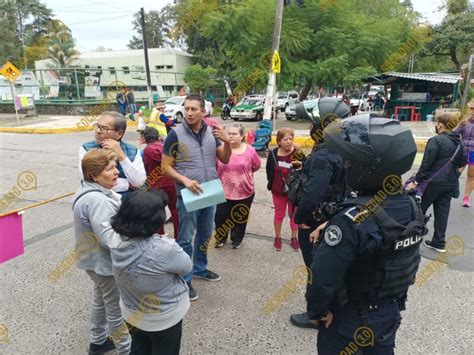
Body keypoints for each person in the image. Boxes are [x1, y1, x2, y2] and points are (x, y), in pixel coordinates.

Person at [306, 113, 428, 354]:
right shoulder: (411, 206)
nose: (345, 165)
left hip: (348, 318)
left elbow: (322, 278)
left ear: (369, 168)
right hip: (387, 313)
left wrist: (318, 311)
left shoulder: (349, 222)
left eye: (350, 162)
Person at [161, 94, 231, 301]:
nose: (189, 113)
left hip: (210, 190)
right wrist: (185, 180)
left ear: (203, 112)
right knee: (185, 238)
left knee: (205, 233)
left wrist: (227, 142)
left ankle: (200, 268)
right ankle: (185, 278)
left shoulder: (211, 132)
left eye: (194, 109)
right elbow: (165, 167)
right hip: (188, 194)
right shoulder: (175, 135)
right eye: (187, 109)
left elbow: (225, 159)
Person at [110, 190, 192, 355]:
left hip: (131, 312)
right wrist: (163, 242)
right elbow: (186, 267)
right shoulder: (166, 248)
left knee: (139, 348)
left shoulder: (114, 240)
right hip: (163, 318)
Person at [290, 98, 349, 329]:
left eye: (312, 126)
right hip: (332, 216)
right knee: (329, 265)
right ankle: (333, 308)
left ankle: (317, 314)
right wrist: (305, 164)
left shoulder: (324, 156)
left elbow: (313, 194)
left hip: (315, 221)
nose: (310, 129)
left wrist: (300, 220)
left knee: (316, 269)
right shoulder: (339, 148)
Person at [73, 149, 131, 355]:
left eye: (115, 167)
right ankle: (126, 349)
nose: (116, 172)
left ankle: (97, 341)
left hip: (93, 262)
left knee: (101, 299)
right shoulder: (99, 201)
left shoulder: (90, 191)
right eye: (109, 169)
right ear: (93, 175)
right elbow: (110, 239)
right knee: (115, 309)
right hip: (103, 264)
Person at [406, 112, 467, 252]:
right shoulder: (459, 143)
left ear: (440, 124)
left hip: (432, 183)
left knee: (418, 211)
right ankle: (439, 242)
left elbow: (426, 164)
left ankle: (410, 239)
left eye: (437, 122)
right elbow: (463, 163)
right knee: (442, 213)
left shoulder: (436, 140)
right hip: (449, 184)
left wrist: (415, 181)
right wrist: (454, 176)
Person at [214, 124, 261, 249]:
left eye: (234, 134)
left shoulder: (250, 150)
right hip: (222, 191)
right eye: (228, 133)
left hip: (245, 192)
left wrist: (243, 176)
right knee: (220, 217)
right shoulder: (219, 149)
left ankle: (237, 239)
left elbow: (256, 166)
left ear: (242, 136)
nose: (230, 136)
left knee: (240, 219)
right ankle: (221, 239)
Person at [79, 111, 147, 196]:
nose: (98, 131)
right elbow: (89, 181)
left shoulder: (133, 151)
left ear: (119, 134)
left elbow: (139, 182)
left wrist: (121, 155)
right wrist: (127, 184)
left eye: (104, 128)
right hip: (98, 200)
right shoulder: (86, 149)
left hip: (127, 203)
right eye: (97, 126)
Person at [265, 127, 304, 252]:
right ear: (279, 141)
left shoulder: (297, 153)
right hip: (278, 191)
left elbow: (305, 168)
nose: (289, 141)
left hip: (294, 191)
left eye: (291, 139)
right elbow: (268, 170)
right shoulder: (273, 154)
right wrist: (272, 183)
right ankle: (278, 237)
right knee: (279, 214)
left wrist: (300, 155)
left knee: (294, 215)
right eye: (285, 139)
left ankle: (294, 238)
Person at [143, 126, 179, 239]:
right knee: (175, 210)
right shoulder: (166, 148)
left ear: (145, 139)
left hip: (155, 185)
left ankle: (160, 235)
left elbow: (143, 169)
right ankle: (178, 235)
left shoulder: (145, 151)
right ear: (158, 137)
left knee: (157, 212)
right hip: (171, 182)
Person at [454, 100, 474, 207]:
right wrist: (459, 125)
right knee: (456, 172)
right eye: (471, 109)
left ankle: (466, 197)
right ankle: (448, 191)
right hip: (462, 150)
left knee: (471, 175)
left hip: (473, 152)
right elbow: (454, 133)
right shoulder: (464, 121)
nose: (473, 111)